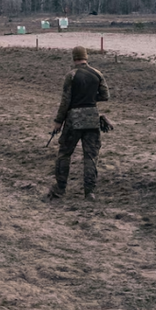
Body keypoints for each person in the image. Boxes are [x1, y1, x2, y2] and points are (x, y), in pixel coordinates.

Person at [48, 46, 110, 200]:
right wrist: (90, 99)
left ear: (74, 58)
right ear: (86, 57)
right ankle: (90, 192)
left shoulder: (72, 75)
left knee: (64, 154)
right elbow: (105, 95)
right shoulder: (97, 74)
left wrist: (58, 122)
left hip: (73, 120)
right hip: (92, 118)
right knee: (90, 156)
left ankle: (59, 190)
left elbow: (65, 101)